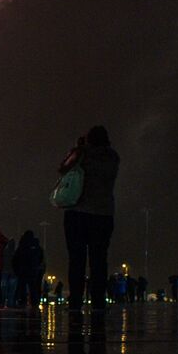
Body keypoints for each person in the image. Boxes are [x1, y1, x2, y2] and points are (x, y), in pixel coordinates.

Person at [59, 126, 120, 314]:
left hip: (78, 212)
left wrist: (78, 149)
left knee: (76, 259)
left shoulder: (82, 154)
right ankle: (98, 302)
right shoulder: (113, 157)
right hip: (103, 213)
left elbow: (62, 169)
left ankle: (76, 301)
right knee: (99, 259)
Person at [14, 230, 46, 307]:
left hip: (23, 269)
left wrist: (16, 269)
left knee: (23, 286)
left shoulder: (22, 245)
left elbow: (16, 258)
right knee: (33, 287)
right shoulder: (37, 246)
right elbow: (41, 258)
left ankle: (23, 301)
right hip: (33, 269)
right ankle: (34, 302)